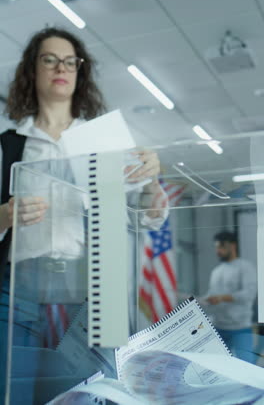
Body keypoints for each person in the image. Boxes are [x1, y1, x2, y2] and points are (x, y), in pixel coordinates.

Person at [0, 27, 165, 403]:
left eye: (71, 61)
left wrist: (154, 180)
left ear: (79, 72)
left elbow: (146, 217)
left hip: (93, 289)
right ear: (32, 69)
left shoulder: (106, 142)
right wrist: (7, 214)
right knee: (14, 393)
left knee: (88, 395)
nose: (62, 67)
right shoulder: (8, 144)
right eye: (50, 59)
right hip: (18, 290)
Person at [203, 231, 257, 363]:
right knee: (218, 367)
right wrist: (203, 300)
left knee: (246, 366)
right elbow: (212, 294)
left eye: (221, 246)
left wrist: (221, 298)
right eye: (216, 247)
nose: (218, 250)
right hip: (218, 328)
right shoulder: (216, 271)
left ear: (232, 246)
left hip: (240, 329)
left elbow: (249, 293)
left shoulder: (245, 267)